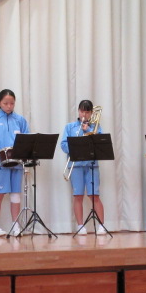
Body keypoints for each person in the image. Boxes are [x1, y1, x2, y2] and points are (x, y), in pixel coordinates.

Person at [0, 89, 29, 237]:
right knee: (0, 193)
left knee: (15, 194)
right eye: (5, 103)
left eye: (12, 103)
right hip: (0, 163)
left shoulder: (20, 120)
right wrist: (0, 153)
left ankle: (16, 226)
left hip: (17, 163)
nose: (9, 106)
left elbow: (26, 140)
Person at [60, 100, 106, 235]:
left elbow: (100, 143)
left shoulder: (96, 127)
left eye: (87, 112)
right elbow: (63, 145)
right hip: (76, 166)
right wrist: (75, 147)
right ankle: (80, 226)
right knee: (78, 195)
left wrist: (89, 130)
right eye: (82, 111)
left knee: (94, 195)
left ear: (91, 113)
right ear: (78, 111)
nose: (84, 114)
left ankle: (102, 226)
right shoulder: (70, 127)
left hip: (92, 165)